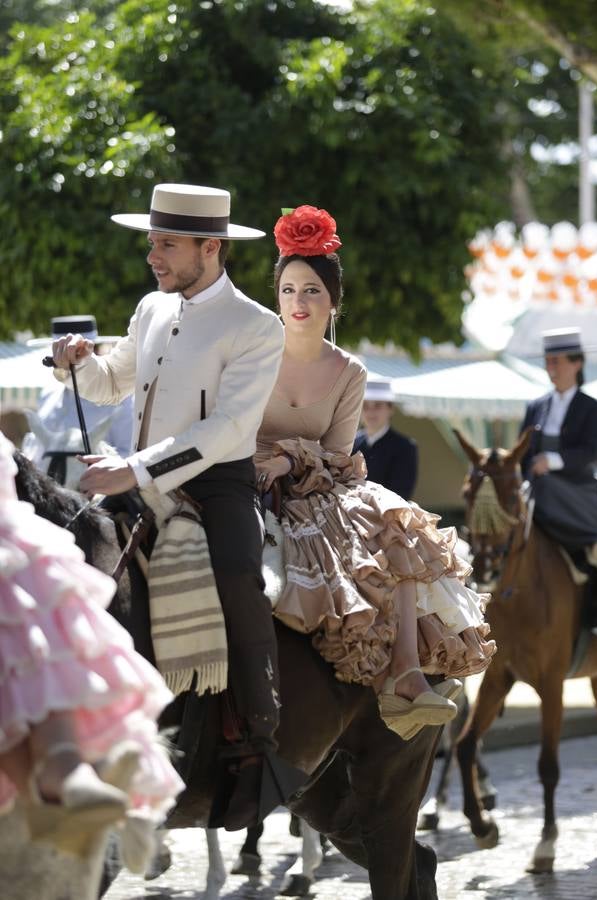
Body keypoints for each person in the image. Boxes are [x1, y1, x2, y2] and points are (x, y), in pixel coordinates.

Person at [49, 183, 294, 830]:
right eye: (153, 242)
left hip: (219, 486)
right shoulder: (151, 307)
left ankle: (258, 737)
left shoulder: (257, 326)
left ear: (210, 248)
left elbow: (224, 431)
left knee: (241, 578)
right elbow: (110, 384)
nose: (153, 256)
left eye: (167, 245)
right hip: (137, 478)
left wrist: (134, 469)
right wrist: (76, 364)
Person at [255, 205, 495, 741]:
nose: (299, 301)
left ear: (333, 300)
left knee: (398, 520)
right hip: (246, 477)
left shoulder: (350, 371)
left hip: (316, 484)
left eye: (313, 290)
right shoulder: (250, 353)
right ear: (276, 296)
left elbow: (339, 453)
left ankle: (407, 672)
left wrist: (289, 457)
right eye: (290, 289)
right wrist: (262, 461)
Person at [0, 431, 183, 862]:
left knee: (239, 577)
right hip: (87, 473)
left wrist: (134, 468)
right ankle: (59, 771)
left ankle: (250, 728)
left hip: (168, 472)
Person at [520, 327, 597, 633]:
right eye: (547, 361)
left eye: (557, 361)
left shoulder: (592, 408)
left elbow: (591, 450)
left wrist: (551, 461)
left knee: (547, 486)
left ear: (576, 363)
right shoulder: (535, 406)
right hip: (537, 488)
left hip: (576, 490)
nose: (550, 368)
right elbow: (523, 452)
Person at [23, 316, 134, 482]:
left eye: (76, 354)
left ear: (92, 352)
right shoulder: (48, 395)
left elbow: (128, 453)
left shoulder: (121, 397)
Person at [353, 379, 419, 498]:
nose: (371, 412)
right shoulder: (352, 443)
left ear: (390, 409)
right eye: (365, 406)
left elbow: (401, 493)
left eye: (378, 405)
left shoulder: (405, 447)